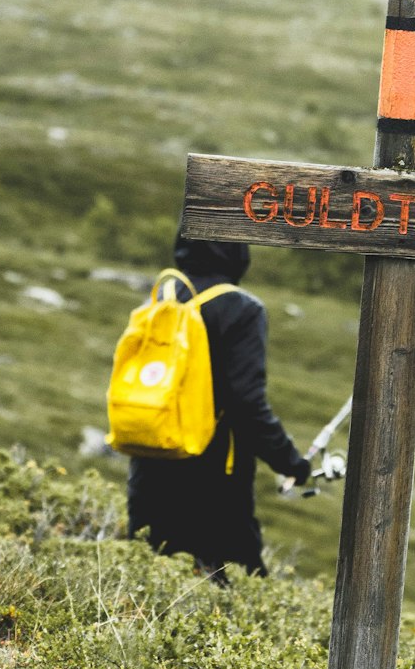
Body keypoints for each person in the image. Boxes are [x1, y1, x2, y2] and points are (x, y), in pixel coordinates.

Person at [127, 228, 312, 579]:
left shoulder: (164, 293)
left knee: (148, 576)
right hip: (213, 478)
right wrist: (289, 462)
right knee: (234, 586)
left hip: (151, 459)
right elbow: (247, 403)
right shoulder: (241, 309)